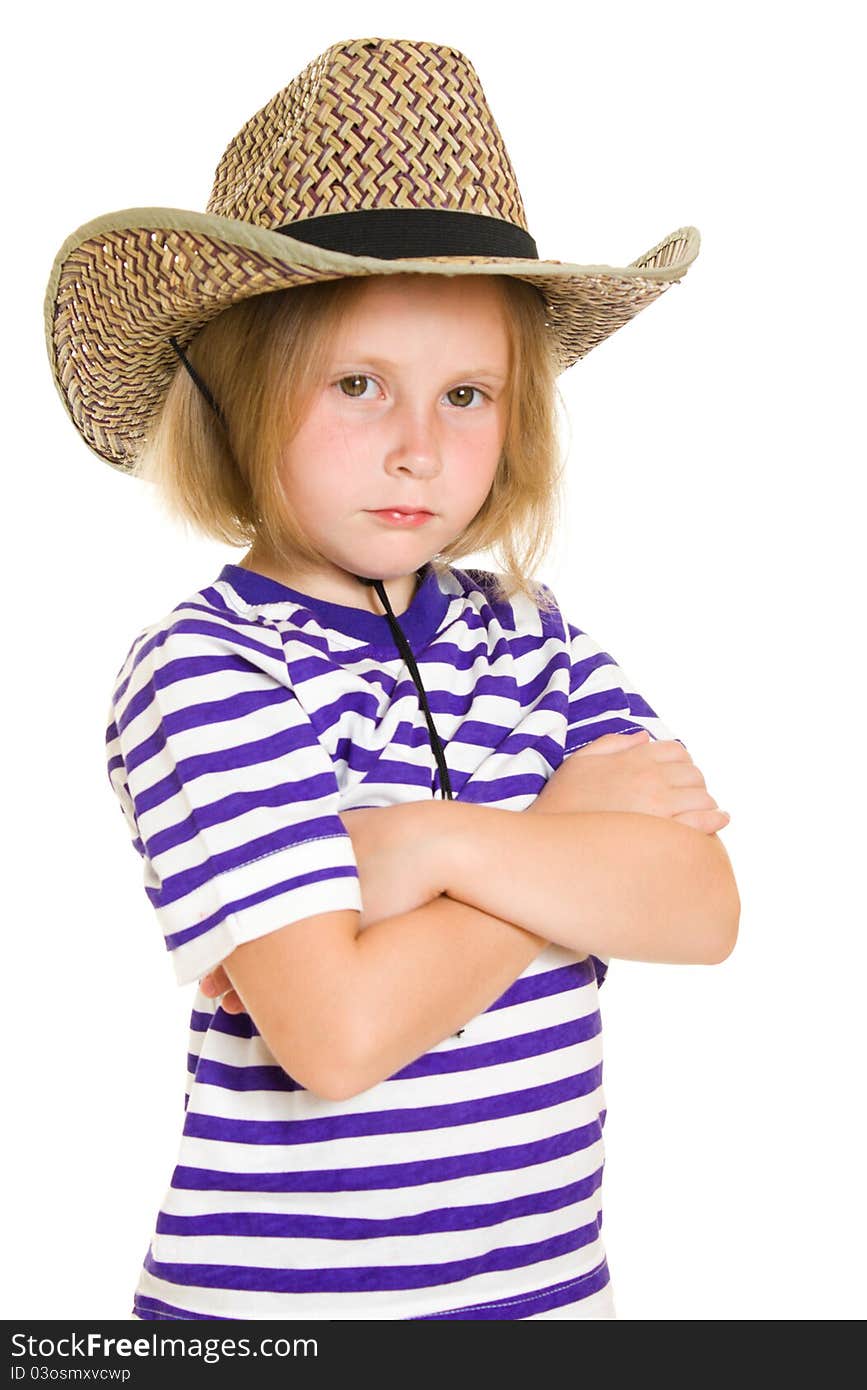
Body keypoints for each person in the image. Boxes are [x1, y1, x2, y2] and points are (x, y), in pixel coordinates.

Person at [45, 36, 739, 1321]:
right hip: (286, 1318)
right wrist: (558, 853)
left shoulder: (532, 636)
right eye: (358, 384)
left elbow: (700, 908)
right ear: (242, 396)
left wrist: (420, 844)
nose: (419, 449)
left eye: (467, 393)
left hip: (545, 1299)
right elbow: (339, 1035)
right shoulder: (208, 667)